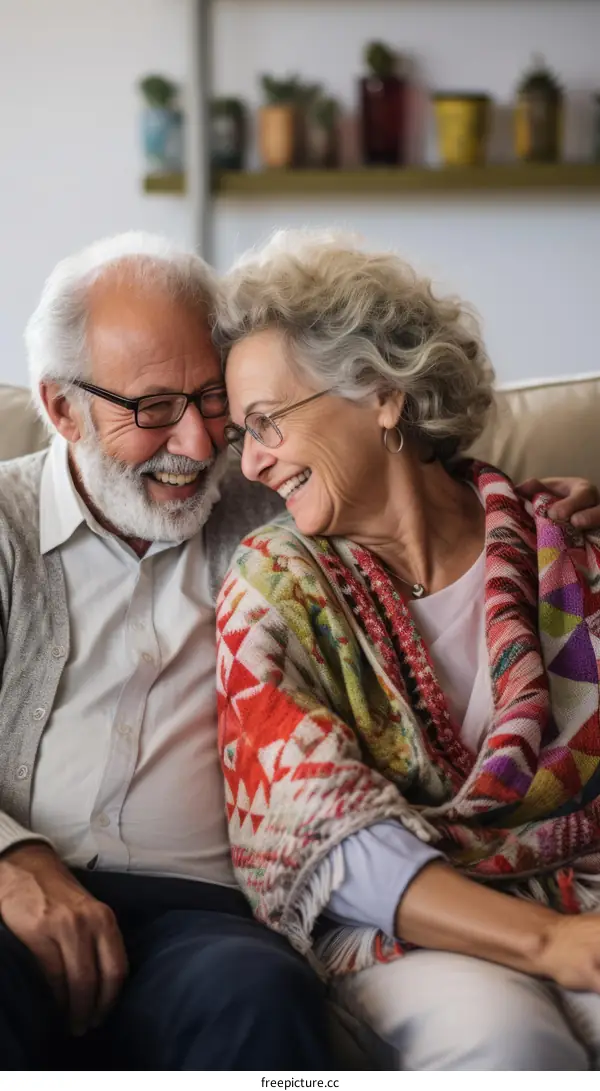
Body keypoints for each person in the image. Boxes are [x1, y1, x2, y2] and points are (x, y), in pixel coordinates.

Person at [214, 229, 600, 1071]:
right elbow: (315, 823)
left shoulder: (560, 547)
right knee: (513, 1049)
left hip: (585, 886)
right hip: (407, 923)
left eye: (267, 422)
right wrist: (548, 940)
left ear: (383, 396)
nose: (253, 463)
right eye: (244, 434)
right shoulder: (274, 585)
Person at [0, 232, 337, 1071]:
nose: (196, 442)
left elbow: (409, 493)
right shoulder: (3, 523)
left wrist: (530, 511)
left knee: (261, 997)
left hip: (202, 921)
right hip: (14, 897)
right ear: (62, 408)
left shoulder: (277, 503)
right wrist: (12, 861)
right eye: (152, 409)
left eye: (212, 398)